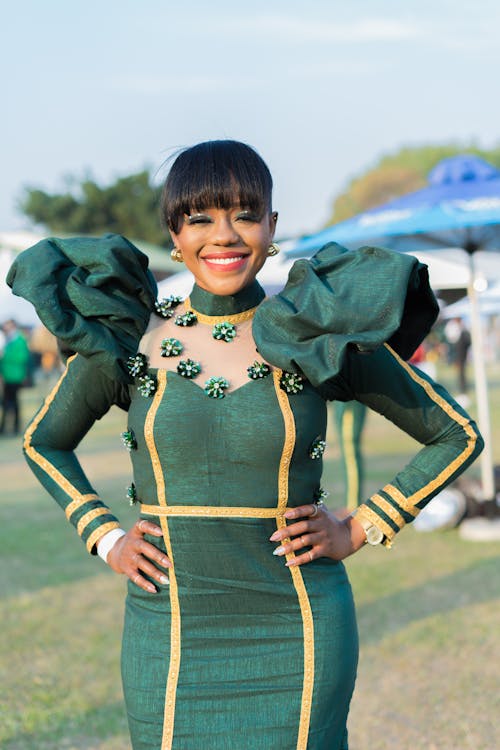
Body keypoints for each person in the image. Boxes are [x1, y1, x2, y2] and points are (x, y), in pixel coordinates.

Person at [8, 140, 483, 750]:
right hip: (170, 631)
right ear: (174, 234)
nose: (224, 236)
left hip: (301, 629)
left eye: (244, 214)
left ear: (272, 226)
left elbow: (455, 434)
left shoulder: (314, 329)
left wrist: (359, 528)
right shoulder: (131, 339)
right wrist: (104, 536)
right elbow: (44, 442)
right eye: (200, 218)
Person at [332, 400, 367, 511]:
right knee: (347, 451)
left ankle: (352, 506)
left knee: (350, 450)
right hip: (338, 398)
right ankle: (352, 505)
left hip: (349, 399)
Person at [0, 318, 31, 435]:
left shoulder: (20, 339)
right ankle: (4, 427)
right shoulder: (7, 339)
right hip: (6, 375)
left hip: (15, 376)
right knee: (6, 402)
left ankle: (15, 427)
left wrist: (5, 355)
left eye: (8, 325)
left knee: (14, 402)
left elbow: (22, 357)